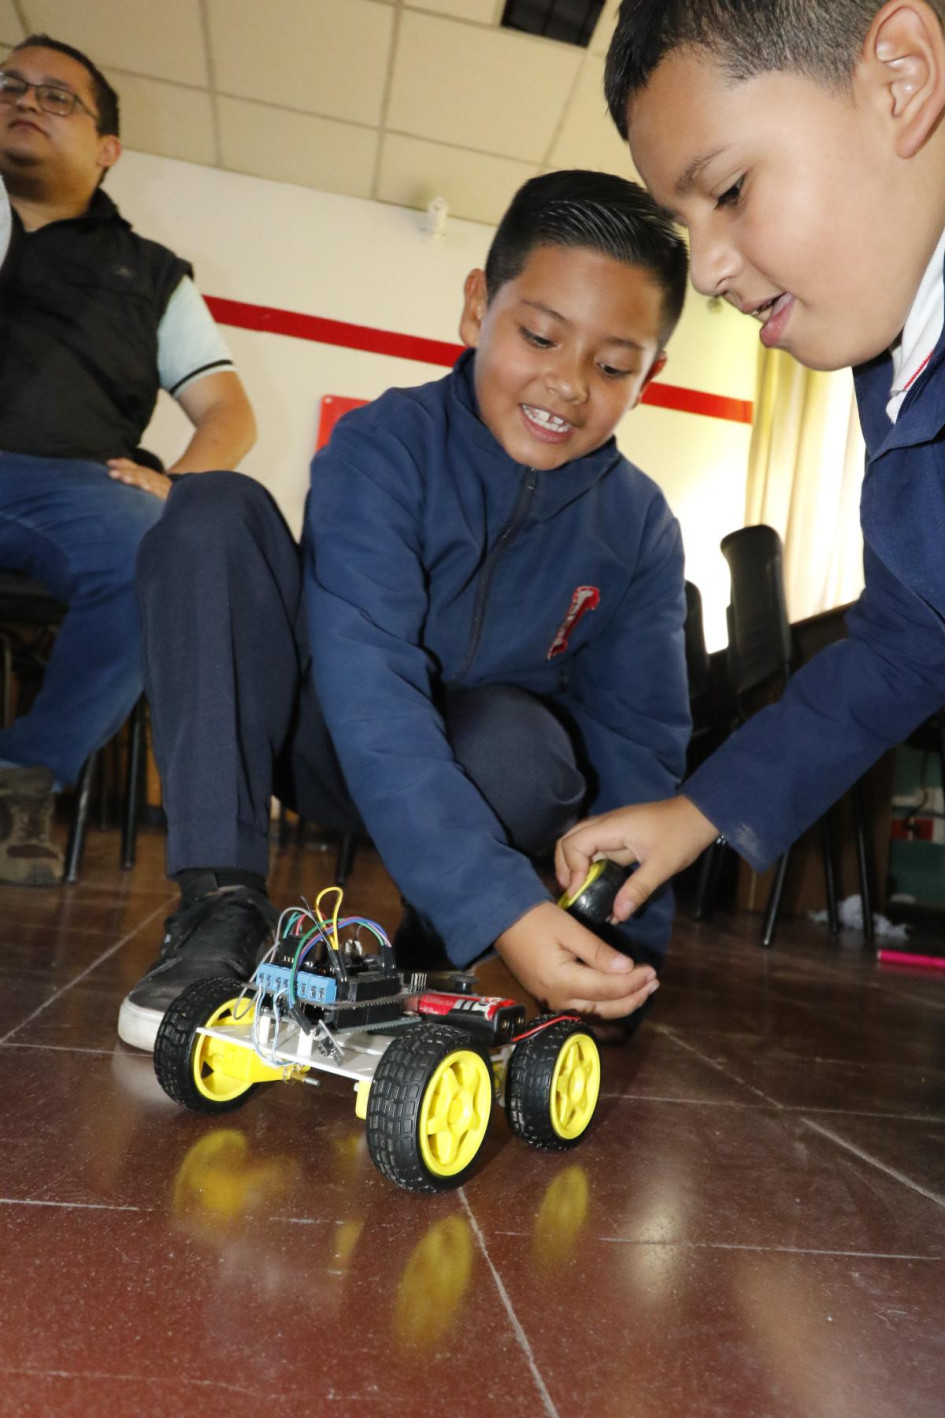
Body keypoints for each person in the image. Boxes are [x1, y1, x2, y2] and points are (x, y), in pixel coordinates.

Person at [118, 169, 691, 1053]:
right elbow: (366, 675)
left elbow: (638, 744)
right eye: (539, 335)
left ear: (650, 374)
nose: (569, 384)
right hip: (320, 739)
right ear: (476, 308)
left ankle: (436, 943)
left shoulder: (641, 527)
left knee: (525, 744)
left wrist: (617, 945)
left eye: (613, 365)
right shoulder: (381, 446)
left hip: (477, 777)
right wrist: (504, 904)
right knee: (209, 508)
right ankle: (219, 905)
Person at [556, 0, 945, 927]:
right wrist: (697, 813)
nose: (705, 272)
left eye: (728, 191)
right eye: (685, 220)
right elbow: (904, 647)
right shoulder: (891, 369)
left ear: (902, 78)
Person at [0, 35, 255, 884]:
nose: (27, 101)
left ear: (108, 149)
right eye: (11, 87)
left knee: (162, 551)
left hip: (70, 484)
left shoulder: (151, 276)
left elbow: (229, 412)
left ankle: (21, 778)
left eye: (57, 96)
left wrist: (176, 485)